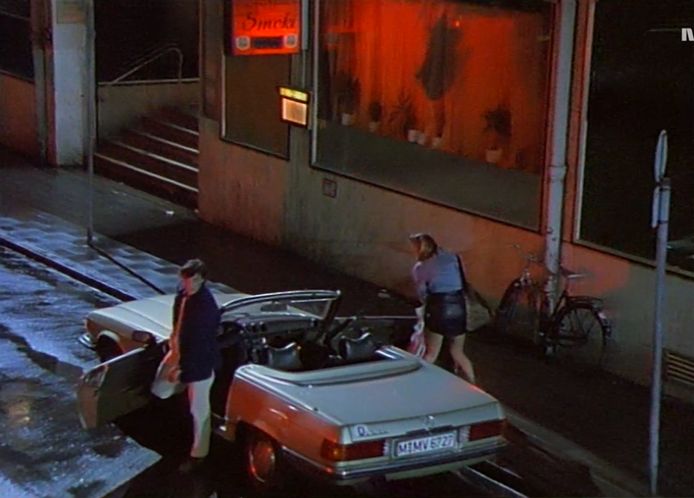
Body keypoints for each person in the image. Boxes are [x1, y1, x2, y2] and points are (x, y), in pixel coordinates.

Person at [168, 258, 221, 473]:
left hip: (200, 364)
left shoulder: (205, 307)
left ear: (202, 280)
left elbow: (200, 345)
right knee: (162, 386)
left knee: (199, 409)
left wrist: (183, 372)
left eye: (193, 280)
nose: (188, 284)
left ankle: (199, 454)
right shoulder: (183, 295)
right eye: (186, 280)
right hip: (181, 354)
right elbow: (179, 323)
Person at [409, 233, 475, 383]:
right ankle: (474, 385)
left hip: (439, 308)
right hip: (458, 307)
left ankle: (416, 383)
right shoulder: (451, 257)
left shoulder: (420, 267)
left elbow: (422, 293)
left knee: (431, 354)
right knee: (458, 352)